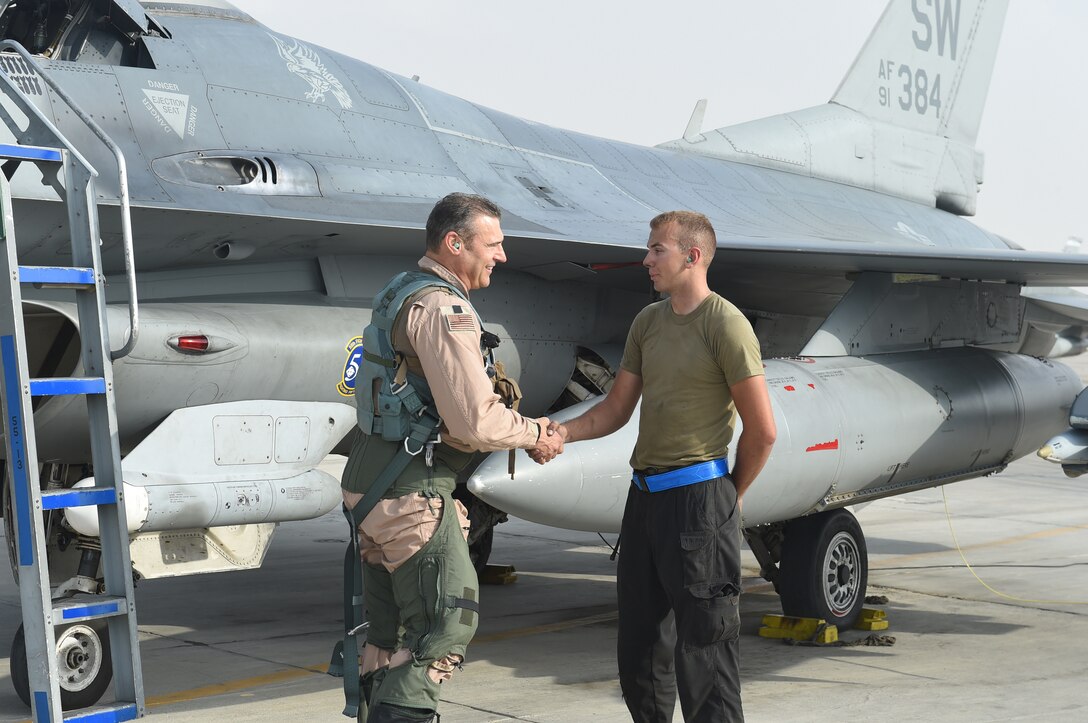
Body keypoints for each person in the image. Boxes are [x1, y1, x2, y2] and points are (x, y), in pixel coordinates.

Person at [536, 210, 776, 723]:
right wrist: (561, 431)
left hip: (699, 503)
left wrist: (728, 497)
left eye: (656, 250)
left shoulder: (726, 325)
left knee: (705, 658)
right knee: (641, 653)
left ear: (692, 257)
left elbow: (763, 430)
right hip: (644, 502)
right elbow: (614, 409)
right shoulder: (648, 323)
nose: (645, 260)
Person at [341, 192, 564, 723]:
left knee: (390, 638)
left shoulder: (402, 290)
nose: (502, 256)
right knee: (443, 631)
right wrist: (535, 433)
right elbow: (474, 421)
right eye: (494, 244)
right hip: (409, 493)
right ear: (454, 243)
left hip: (375, 487)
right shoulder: (444, 308)